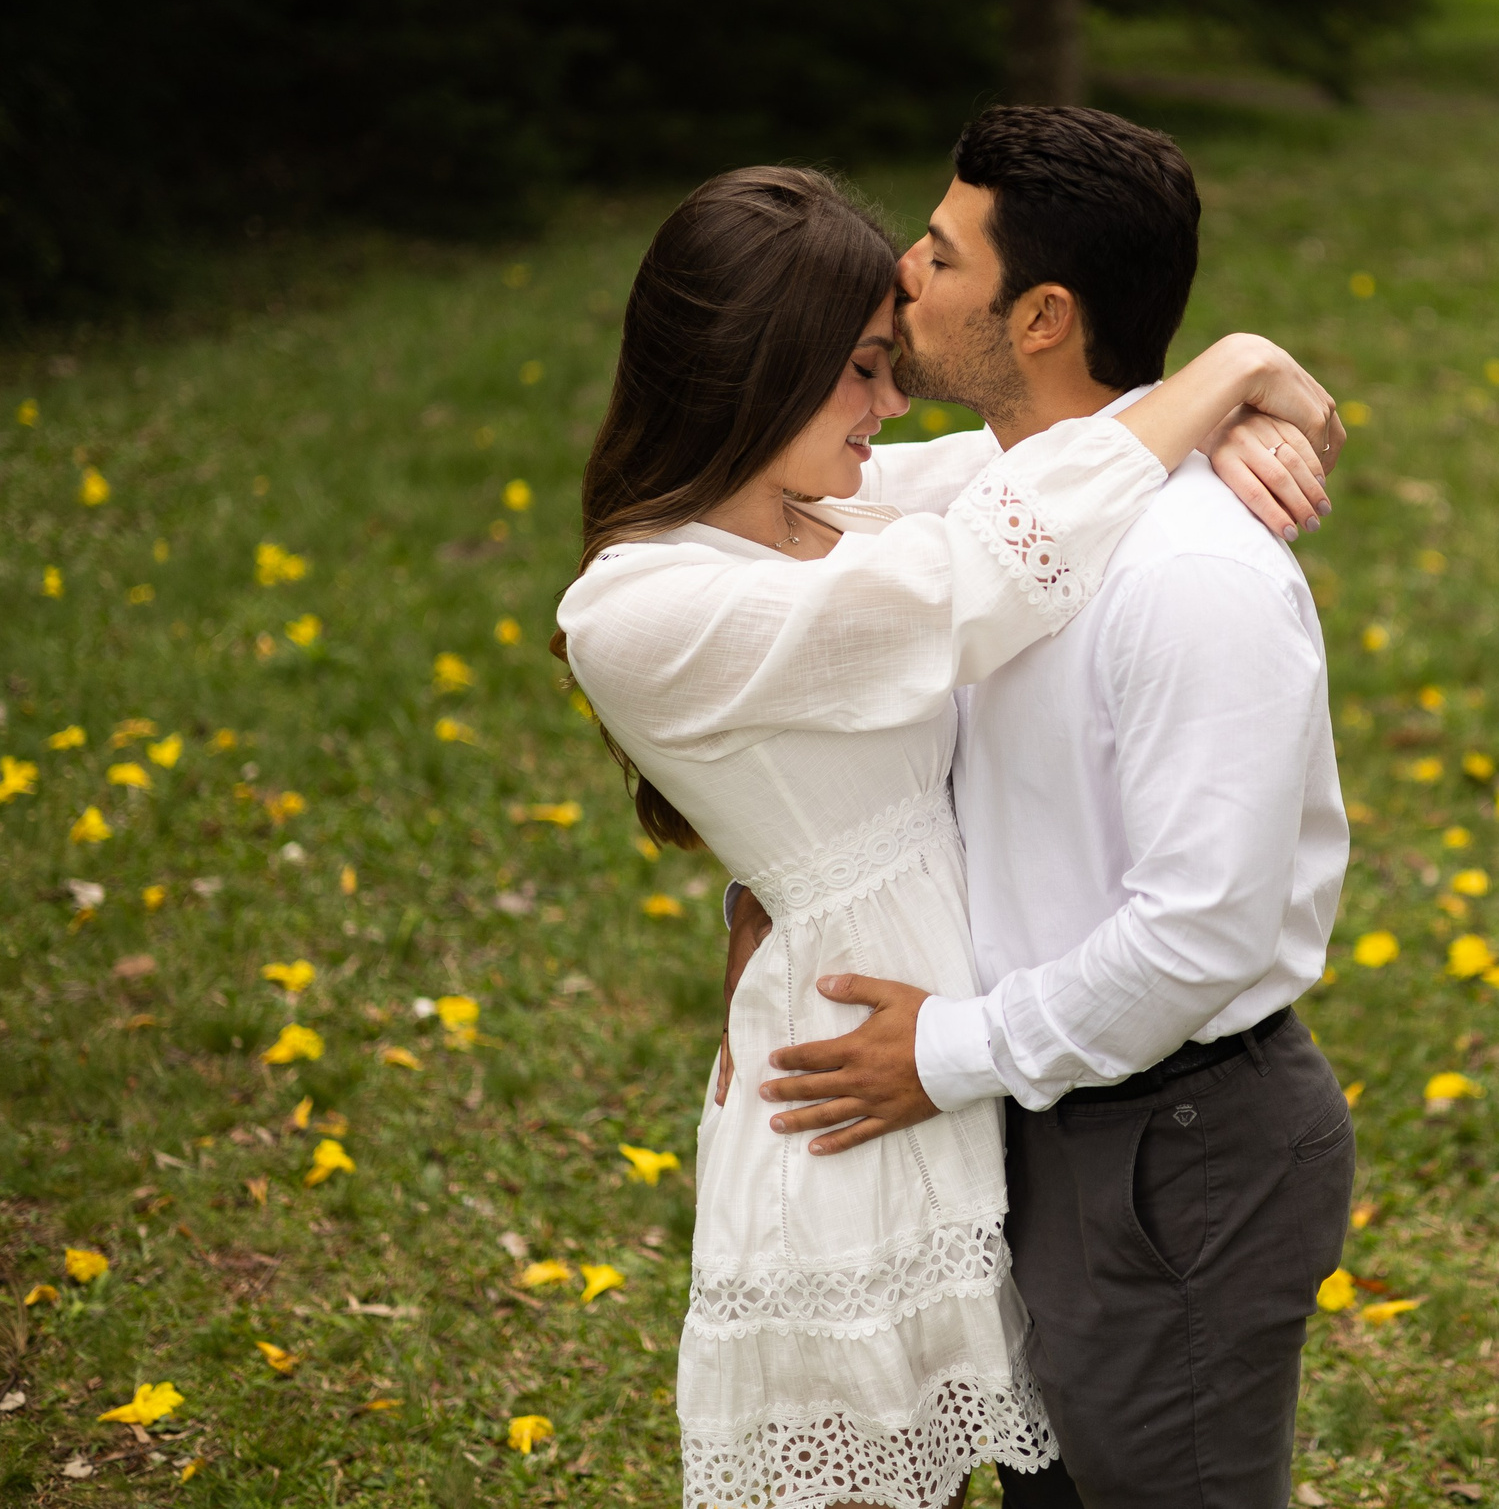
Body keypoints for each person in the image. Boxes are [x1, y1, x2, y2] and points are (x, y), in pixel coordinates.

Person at [552, 162, 1340, 1509]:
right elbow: (974, 576)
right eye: (860, 368)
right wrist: (1230, 374)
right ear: (755, 372)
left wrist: (1211, 410)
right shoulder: (639, 605)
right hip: (858, 1084)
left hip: (992, 1085)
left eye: (894, 344)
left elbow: (1030, 460)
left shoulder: (839, 508)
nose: (890, 397)